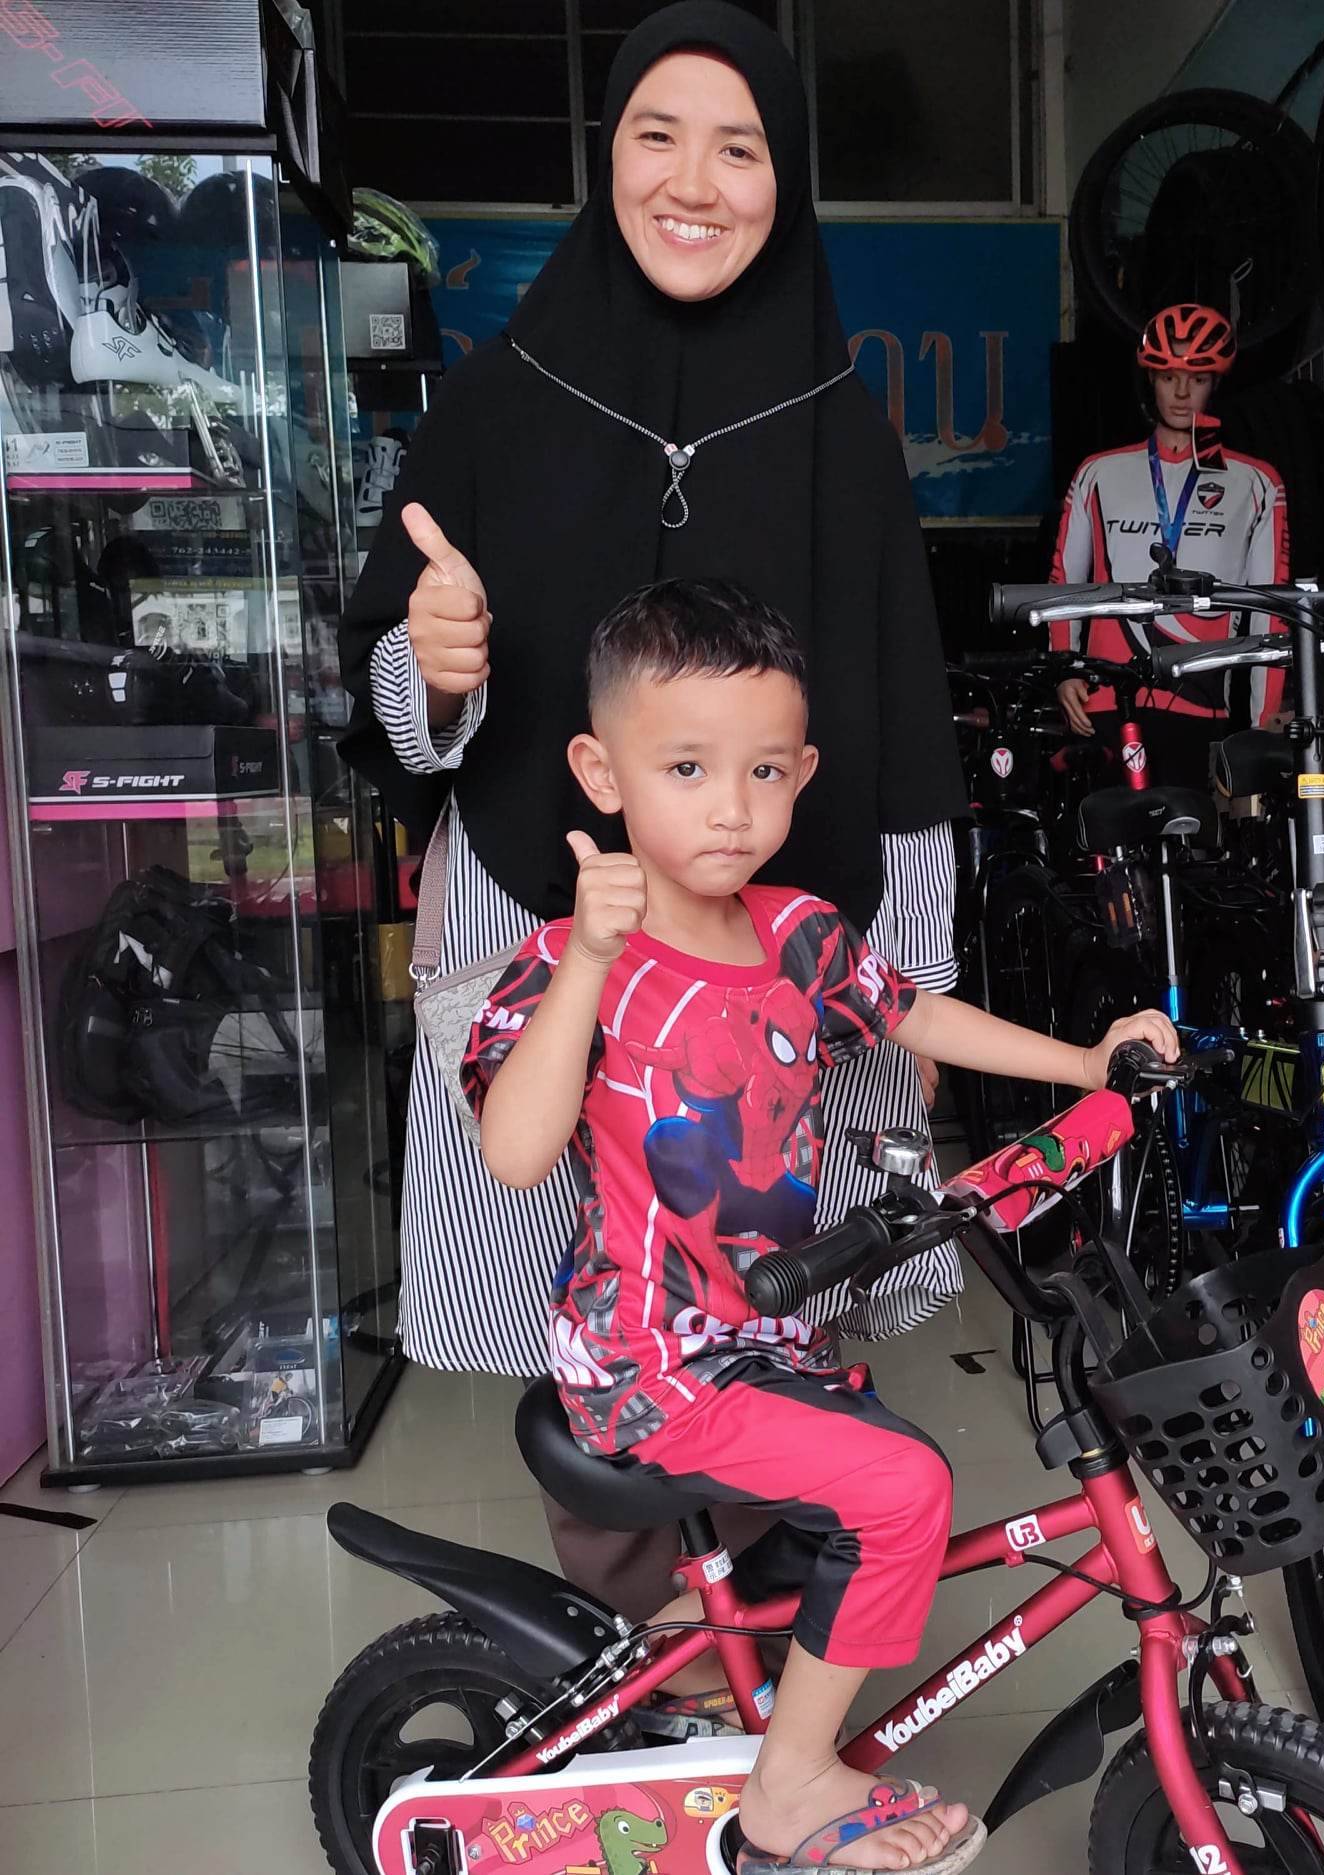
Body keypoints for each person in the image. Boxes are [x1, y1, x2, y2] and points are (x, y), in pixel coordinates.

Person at [337, 3, 967, 1624]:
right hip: (554, 942)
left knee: (781, 1294)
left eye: (738, 147)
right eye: (655, 137)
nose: (695, 182)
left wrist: (914, 968)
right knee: (585, 1320)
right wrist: (435, 665)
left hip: (780, 970)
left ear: (786, 177)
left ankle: (761, 1636)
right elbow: (392, 704)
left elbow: (900, 727)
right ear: (604, 157)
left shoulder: (839, 425)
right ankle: (638, 1646)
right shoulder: (500, 401)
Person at [464, 577, 1176, 1873]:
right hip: (649, 1353)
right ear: (602, 774)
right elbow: (513, 1154)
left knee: (850, 1489)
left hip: (770, 1335)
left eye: (762, 771)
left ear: (801, 775)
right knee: (905, 1486)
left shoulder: (797, 932)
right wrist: (586, 963)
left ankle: (699, 1669)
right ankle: (787, 1786)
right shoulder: (572, 958)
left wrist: (1085, 1063)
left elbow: (913, 1013)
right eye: (686, 767)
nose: (729, 808)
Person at [1049, 302, 1291, 787]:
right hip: (1108, 699)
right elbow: (1066, 580)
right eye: (1168, 377)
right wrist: (1065, 670)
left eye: (1196, 378)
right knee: (1107, 829)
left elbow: (1270, 605)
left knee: (1195, 830)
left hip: (1202, 701)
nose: (1181, 393)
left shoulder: (1257, 483)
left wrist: (1261, 720)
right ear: (1150, 381)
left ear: (1215, 383)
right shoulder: (1098, 473)